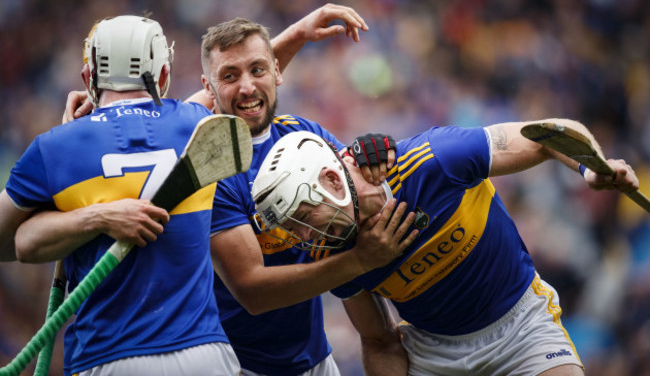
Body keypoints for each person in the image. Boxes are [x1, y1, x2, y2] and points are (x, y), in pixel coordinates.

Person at [49, 5, 415, 375]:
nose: (247, 86)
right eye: (227, 76)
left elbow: (254, 80)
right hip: (239, 366)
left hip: (316, 358)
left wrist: (375, 158)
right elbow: (252, 290)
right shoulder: (203, 164)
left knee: (383, 337)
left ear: (275, 70)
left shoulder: (305, 134)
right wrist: (105, 107)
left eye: (260, 69)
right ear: (208, 87)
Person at [251, 122, 641, 376]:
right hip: (435, 356)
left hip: (523, 328)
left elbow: (546, 134)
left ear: (331, 180)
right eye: (293, 228)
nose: (304, 238)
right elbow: (380, 340)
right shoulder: (332, 255)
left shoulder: (434, 160)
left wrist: (591, 167)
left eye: (304, 216)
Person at [0, 15, 241, 375]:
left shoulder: (55, 147)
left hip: (107, 358)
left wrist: (92, 217)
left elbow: (8, 244)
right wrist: (299, 32)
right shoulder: (198, 122)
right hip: (204, 353)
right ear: (162, 76)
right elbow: (247, 87)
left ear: (88, 79)